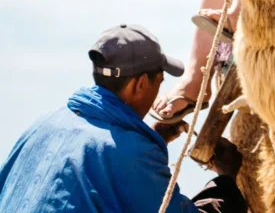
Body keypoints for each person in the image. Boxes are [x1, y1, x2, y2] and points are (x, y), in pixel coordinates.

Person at [0, 24, 247, 213]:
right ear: (140, 84)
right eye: (159, 82)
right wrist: (226, 178)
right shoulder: (132, 153)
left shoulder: (45, 123)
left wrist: (150, 138)